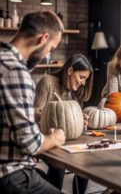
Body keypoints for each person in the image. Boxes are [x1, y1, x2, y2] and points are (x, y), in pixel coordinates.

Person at [0, 11, 66, 194]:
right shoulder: (15, 70)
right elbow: (30, 144)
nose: (47, 55)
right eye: (51, 49)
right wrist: (55, 137)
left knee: (45, 179)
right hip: (11, 175)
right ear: (43, 38)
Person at [34, 53, 94, 194]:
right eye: (82, 77)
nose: (83, 83)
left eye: (85, 79)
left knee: (84, 163)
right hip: (46, 138)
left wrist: (78, 118)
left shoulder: (71, 92)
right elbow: (35, 112)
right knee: (58, 166)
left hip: (64, 139)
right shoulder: (47, 82)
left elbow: (69, 120)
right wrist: (56, 116)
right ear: (70, 71)